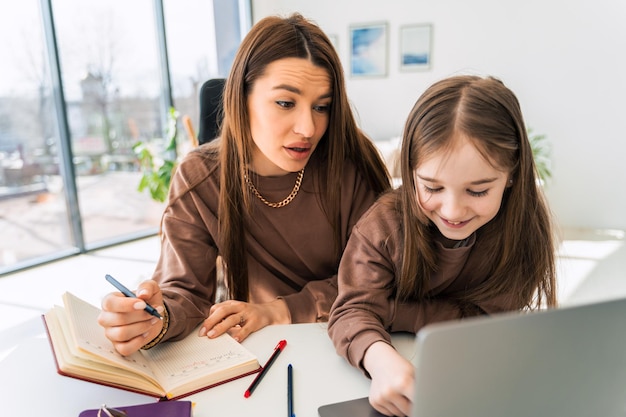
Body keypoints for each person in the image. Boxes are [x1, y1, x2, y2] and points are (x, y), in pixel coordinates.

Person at [97, 13, 391, 356]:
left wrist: (281, 310)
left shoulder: (351, 161)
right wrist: (155, 318)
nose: (308, 128)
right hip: (260, 349)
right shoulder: (200, 176)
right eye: (285, 103)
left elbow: (378, 276)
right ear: (242, 96)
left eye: (322, 107)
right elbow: (184, 291)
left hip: (354, 338)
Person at [327, 75, 557, 416]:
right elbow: (350, 311)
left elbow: (491, 322)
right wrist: (379, 359)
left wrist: (392, 312)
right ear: (409, 171)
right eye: (432, 188)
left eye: (477, 191)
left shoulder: (523, 227)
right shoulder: (383, 225)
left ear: (511, 175)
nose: (452, 211)